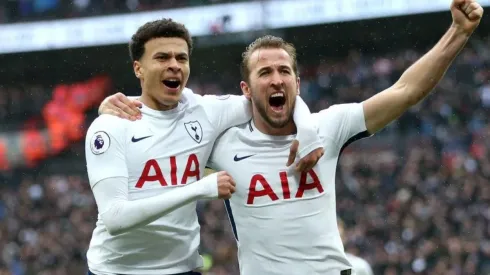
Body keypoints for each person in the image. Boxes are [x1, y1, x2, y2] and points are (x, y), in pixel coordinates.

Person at [100, 1, 483, 274]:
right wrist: (119, 106)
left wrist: (458, 32)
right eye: (264, 73)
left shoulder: (329, 127)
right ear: (246, 91)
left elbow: (404, 91)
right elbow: (168, 123)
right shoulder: (222, 143)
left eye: (284, 70)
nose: (276, 78)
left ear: (297, 83)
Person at [85, 19, 324, 275]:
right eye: (162, 58)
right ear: (138, 68)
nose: (174, 66)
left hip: (184, 269)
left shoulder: (205, 111)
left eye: (181, 58)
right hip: (116, 270)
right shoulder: (111, 126)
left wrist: (307, 128)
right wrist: (199, 189)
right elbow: (115, 218)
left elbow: (273, 98)